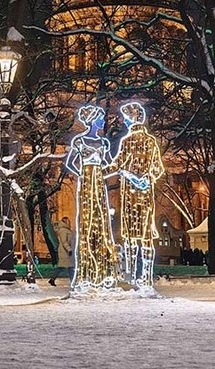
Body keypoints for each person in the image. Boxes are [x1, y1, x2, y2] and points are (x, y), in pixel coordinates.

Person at [109, 102, 163, 287]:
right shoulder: (150, 142)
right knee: (146, 236)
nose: (124, 121)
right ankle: (146, 277)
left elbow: (117, 165)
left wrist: (97, 171)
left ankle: (131, 275)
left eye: (126, 118)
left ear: (133, 119)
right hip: (145, 193)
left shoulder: (128, 141)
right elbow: (158, 168)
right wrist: (148, 178)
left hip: (130, 195)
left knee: (131, 236)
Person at [65, 105, 118, 291]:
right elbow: (71, 162)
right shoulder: (80, 141)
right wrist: (82, 173)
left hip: (99, 180)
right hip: (87, 180)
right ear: (93, 120)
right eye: (100, 118)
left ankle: (103, 271)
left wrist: (111, 170)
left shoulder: (103, 143)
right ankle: (87, 272)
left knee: (101, 220)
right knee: (87, 222)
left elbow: (109, 163)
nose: (103, 121)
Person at [49, 216, 76, 285]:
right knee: (69, 267)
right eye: (68, 221)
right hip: (65, 251)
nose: (69, 222)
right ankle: (73, 282)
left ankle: (52, 279)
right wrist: (69, 249)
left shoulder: (66, 230)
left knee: (65, 266)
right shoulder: (63, 230)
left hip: (66, 251)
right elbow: (64, 241)